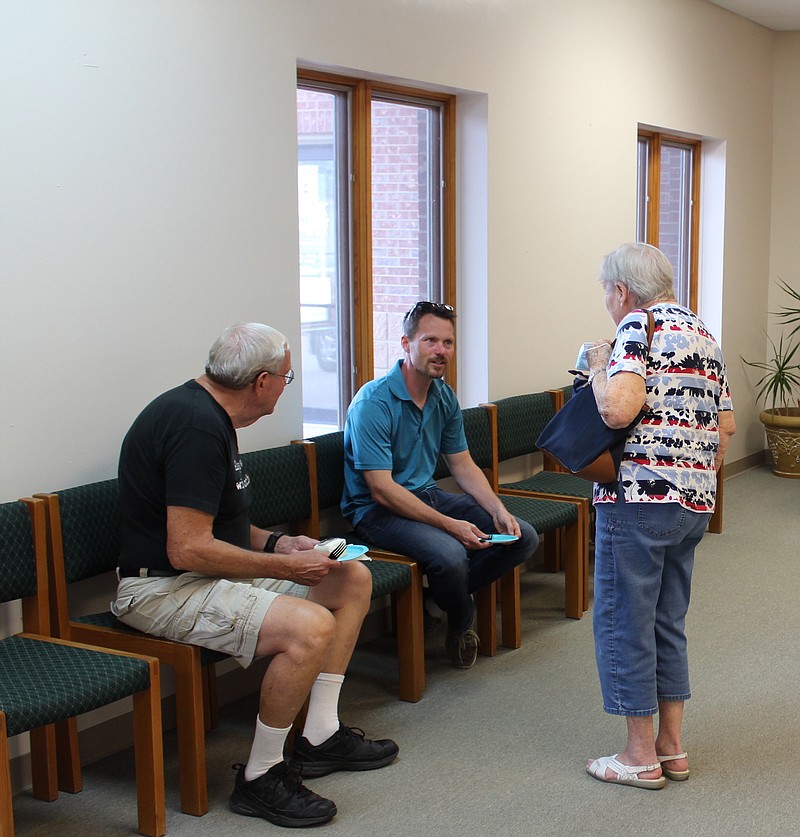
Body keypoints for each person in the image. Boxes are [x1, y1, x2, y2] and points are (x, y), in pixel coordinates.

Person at [112, 323, 398, 828]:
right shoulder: (195, 426)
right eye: (286, 379)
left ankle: (319, 735)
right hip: (158, 589)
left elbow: (220, 526)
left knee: (350, 579)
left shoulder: (211, 417)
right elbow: (188, 549)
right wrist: (287, 567)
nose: (285, 388)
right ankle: (261, 777)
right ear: (262, 382)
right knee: (310, 627)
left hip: (195, 574)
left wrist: (278, 543)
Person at [583, 243, 735, 790]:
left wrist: (599, 366)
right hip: (692, 503)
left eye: (607, 292)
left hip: (639, 501)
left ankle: (639, 756)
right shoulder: (703, 333)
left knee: (626, 620)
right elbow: (727, 427)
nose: (607, 301)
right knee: (667, 621)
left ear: (621, 290)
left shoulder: (636, 328)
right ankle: (672, 747)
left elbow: (618, 409)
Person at [341, 301, 539, 670]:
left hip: (427, 495)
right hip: (376, 511)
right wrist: (450, 525)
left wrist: (498, 510)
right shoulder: (373, 402)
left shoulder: (443, 396)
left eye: (447, 343)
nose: (441, 351)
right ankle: (461, 620)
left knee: (521, 536)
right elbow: (381, 489)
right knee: (450, 555)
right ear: (406, 343)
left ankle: (440, 601)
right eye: (430, 340)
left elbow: (462, 464)